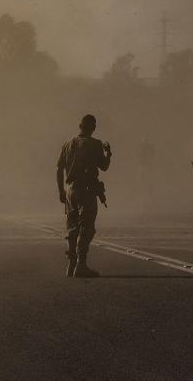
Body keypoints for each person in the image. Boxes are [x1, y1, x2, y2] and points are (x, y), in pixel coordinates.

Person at [56, 114, 112, 278]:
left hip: (70, 191)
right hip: (86, 190)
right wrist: (108, 153)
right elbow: (104, 166)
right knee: (86, 228)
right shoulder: (94, 144)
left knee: (72, 228)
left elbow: (59, 169)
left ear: (80, 126)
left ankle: (71, 264)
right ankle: (81, 264)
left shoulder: (67, 144)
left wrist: (60, 191)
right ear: (93, 128)